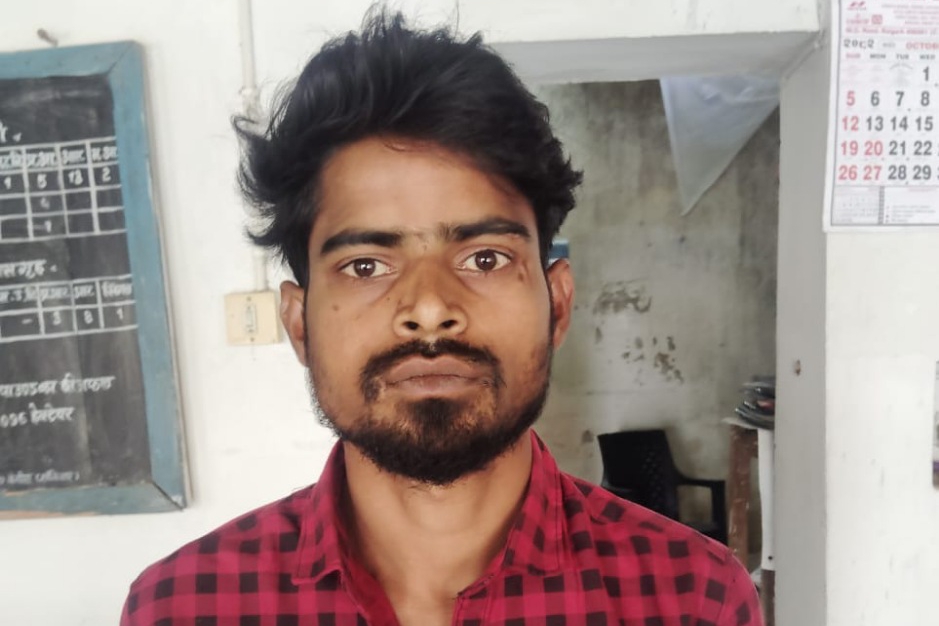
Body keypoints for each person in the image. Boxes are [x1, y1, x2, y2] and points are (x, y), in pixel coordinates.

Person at [122, 10, 762, 626]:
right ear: (299, 324)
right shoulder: (181, 609)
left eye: (485, 258)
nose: (429, 309)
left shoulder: (692, 599)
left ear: (558, 304)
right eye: (366, 266)